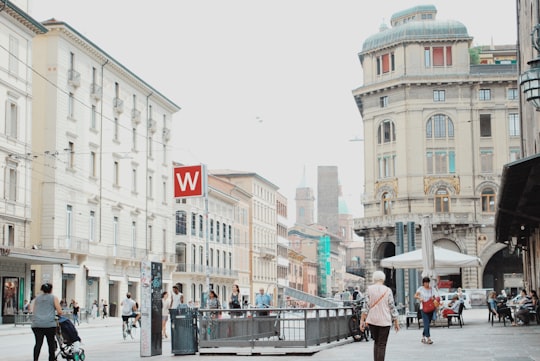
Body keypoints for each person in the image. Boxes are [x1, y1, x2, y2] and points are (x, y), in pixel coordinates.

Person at [360, 271, 399, 361]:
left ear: (374, 278)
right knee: (382, 344)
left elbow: (365, 307)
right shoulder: (387, 290)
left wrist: (362, 321)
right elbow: (392, 307)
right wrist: (396, 321)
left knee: (376, 342)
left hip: (372, 320)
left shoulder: (369, 289)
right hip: (385, 321)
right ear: (383, 279)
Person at [29, 282, 63, 361]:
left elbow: (32, 310)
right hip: (49, 324)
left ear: (42, 290)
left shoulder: (36, 298)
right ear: (51, 290)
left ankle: (35, 359)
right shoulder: (54, 298)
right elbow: (59, 311)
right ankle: (51, 359)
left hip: (36, 324)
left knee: (38, 343)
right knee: (51, 343)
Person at [415, 276, 439, 344]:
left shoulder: (432, 289)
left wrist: (433, 298)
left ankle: (423, 336)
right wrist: (420, 298)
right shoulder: (421, 289)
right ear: (423, 283)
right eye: (425, 283)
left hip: (431, 307)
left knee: (427, 323)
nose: (426, 284)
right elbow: (415, 295)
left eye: (427, 282)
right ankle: (428, 338)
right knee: (426, 323)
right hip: (423, 308)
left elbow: (436, 296)